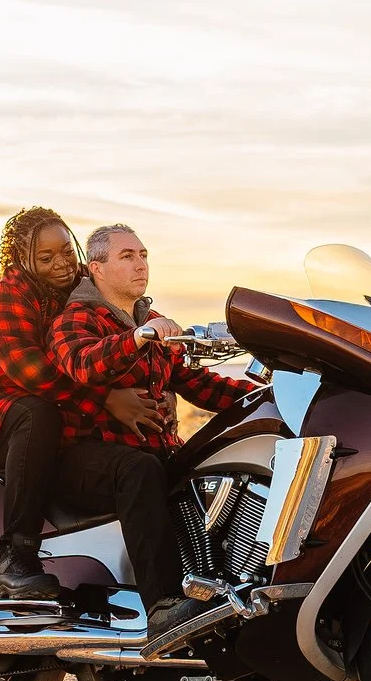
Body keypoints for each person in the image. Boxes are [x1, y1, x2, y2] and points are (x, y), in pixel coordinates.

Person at [0, 208, 162, 601]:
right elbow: (34, 375)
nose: (61, 264)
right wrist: (108, 398)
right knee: (35, 414)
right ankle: (16, 560)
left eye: (66, 252)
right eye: (46, 258)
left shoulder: (72, 286)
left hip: (46, 397)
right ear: (21, 261)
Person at [50, 222, 256, 639]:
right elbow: (83, 365)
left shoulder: (150, 320)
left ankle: (235, 615)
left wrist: (267, 395)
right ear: (96, 268)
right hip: (83, 458)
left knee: (214, 472)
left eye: (143, 255)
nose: (140, 264)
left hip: (148, 453)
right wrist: (138, 338)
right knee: (140, 469)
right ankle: (162, 606)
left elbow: (199, 383)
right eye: (127, 256)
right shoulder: (76, 317)